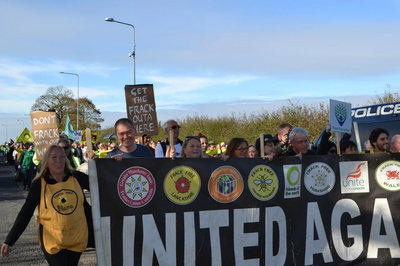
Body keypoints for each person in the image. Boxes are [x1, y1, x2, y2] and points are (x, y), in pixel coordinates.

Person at [1, 145, 94, 265]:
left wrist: (105, 163)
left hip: (76, 237)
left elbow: (102, 184)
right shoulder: (40, 184)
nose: (59, 160)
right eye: (53, 157)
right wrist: (9, 240)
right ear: (46, 162)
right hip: (53, 241)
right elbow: (25, 213)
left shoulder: (77, 177)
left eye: (61, 157)